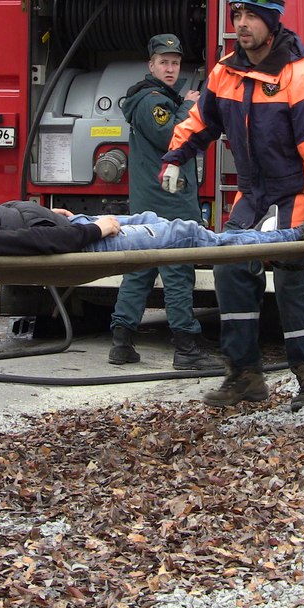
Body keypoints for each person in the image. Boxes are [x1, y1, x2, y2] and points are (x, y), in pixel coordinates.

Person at [160, 0, 304, 412]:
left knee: (291, 284)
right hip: (254, 196)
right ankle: (244, 375)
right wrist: (174, 157)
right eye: (236, 14)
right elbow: (201, 121)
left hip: (293, 195)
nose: (240, 23)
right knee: (230, 271)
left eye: (250, 15)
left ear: (271, 20)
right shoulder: (227, 71)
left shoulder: (302, 76)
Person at [107, 34, 221, 370]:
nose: (171, 68)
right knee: (178, 273)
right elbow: (171, 136)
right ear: (151, 65)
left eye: (175, 63)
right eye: (164, 62)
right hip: (167, 203)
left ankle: (122, 342)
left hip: (153, 201)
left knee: (140, 272)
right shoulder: (152, 101)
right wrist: (189, 106)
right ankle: (186, 348)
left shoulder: (157, 98)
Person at [0, 186, 304, 257]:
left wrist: (53, 213)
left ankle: (262, 239)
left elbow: (15, 222)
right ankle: (285, 240)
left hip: (65, 226)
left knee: (160, 218)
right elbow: (25, 244)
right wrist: (95, 229)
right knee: (184, 233)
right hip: (79, 243)